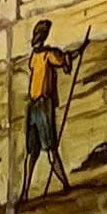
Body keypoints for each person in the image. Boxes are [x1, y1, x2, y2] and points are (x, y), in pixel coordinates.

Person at [21, 19, 74, 202]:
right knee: (32, 152)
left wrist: (68, 57)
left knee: (50, 148)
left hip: (43, 105)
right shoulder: (37, 57)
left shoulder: (46, 55)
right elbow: (63, 60)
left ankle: (65, 184)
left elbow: (62, 60)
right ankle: (25, 192)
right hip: (35, 106)